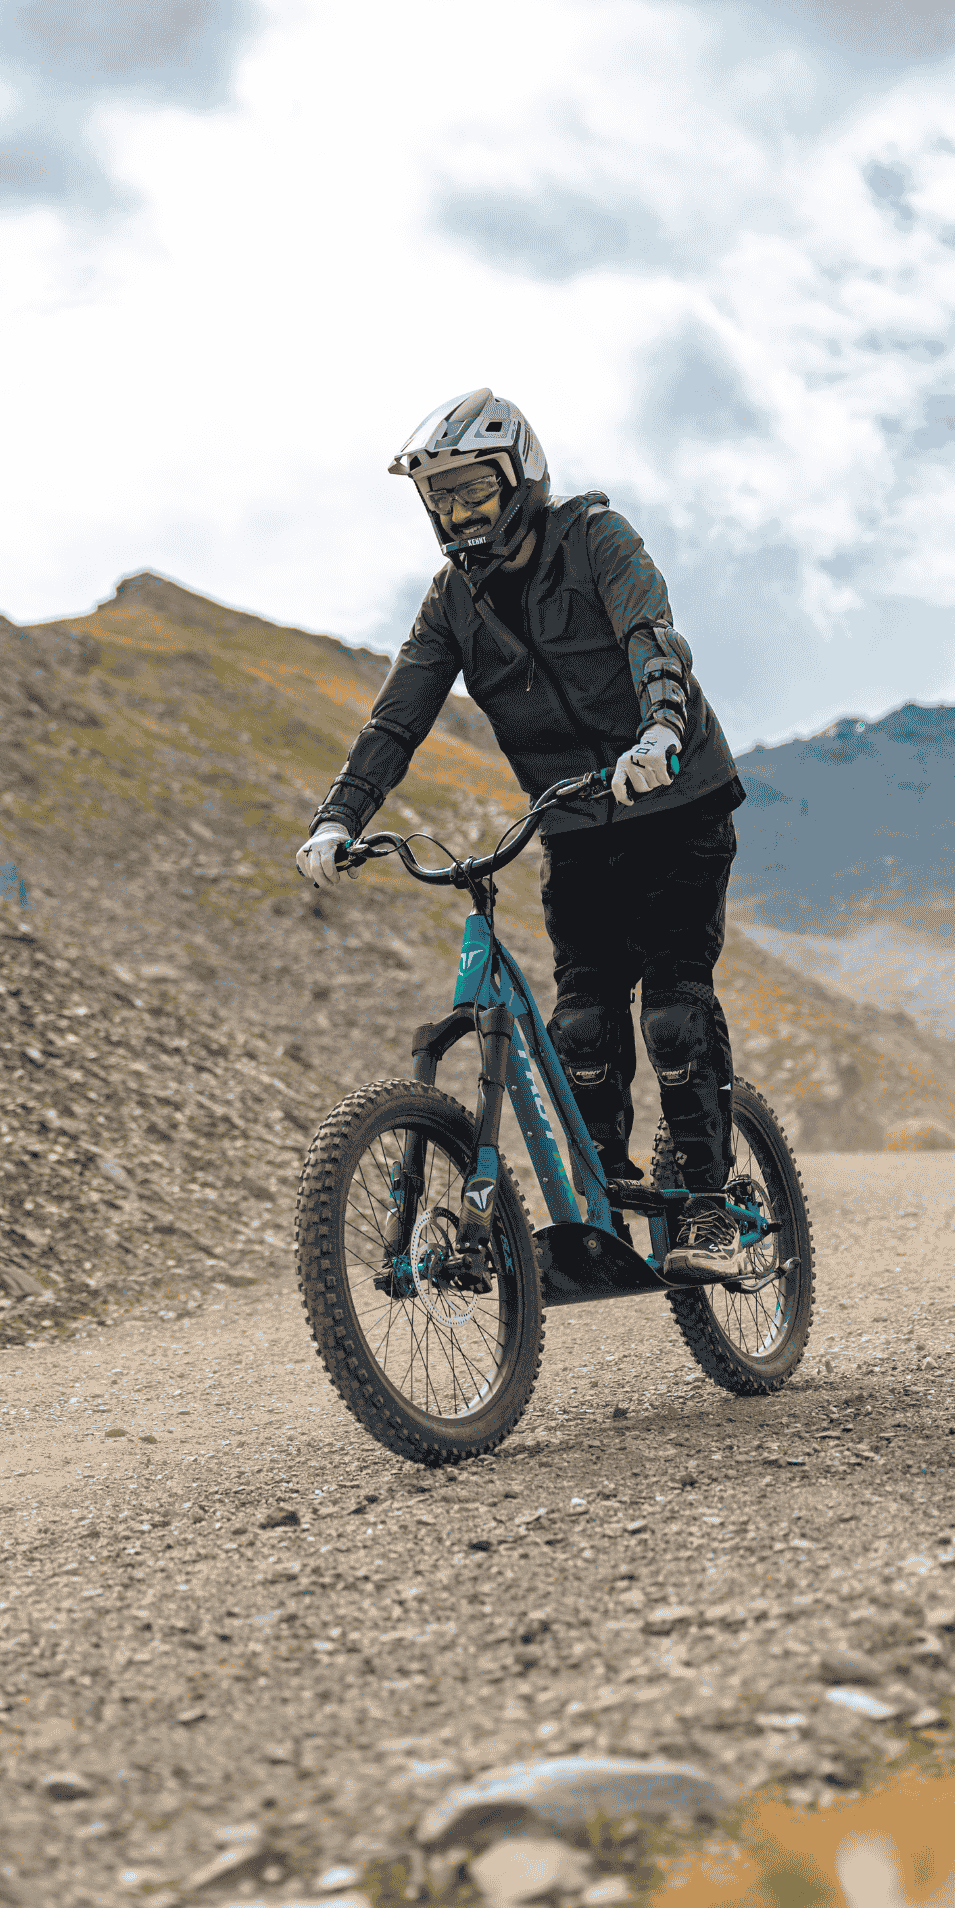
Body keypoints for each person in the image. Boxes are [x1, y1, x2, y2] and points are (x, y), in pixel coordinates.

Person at [293, 389, 747, 1280]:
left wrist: (660, 729)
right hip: (576, 823)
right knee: (581, 1021)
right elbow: (398, 718)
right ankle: (608, 1203)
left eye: (474, 489)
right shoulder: (451, 602)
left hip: (676, 799)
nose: (460, 513)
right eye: (442, 498)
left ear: (521, 475)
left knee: (672, 1010)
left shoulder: (596, 538)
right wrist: (339, 816)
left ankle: (708, 1206)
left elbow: (652, 636)